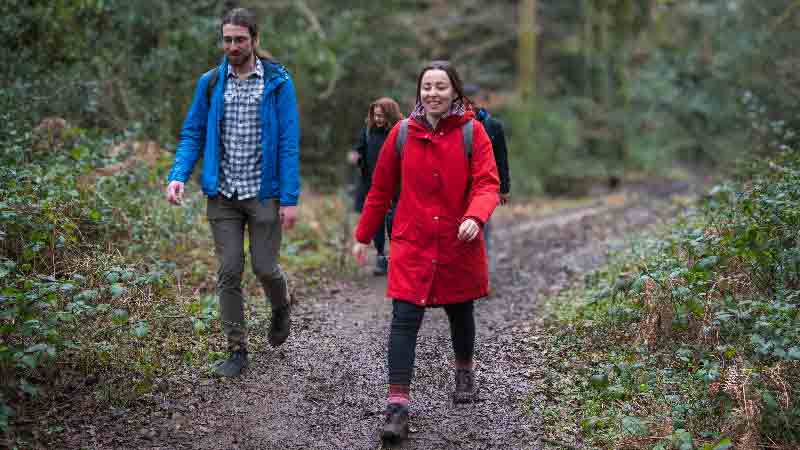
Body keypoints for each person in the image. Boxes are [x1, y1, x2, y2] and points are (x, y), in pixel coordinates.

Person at [352, 61, 500, 443]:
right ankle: (397, 406)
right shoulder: (401, 134)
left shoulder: (473, 132)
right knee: (403, 318)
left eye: (441, 87)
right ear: (418, 92)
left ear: (455, 92)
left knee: (460, 309)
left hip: (457, 240)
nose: (433, 93)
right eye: (427, 87)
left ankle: (464, 367)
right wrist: (363, 236)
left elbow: (488, 183)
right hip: (412, 241)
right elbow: (380, 189)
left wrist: (476, 216)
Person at [165, 7, 300, 378]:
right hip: (222, 194)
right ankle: (237, 349)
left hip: (264, 194)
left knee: (265, 267)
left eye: (240, 39)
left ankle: (281, 305)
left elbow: (289, 143)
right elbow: (193, 133)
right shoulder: (210, 83)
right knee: (228, 270)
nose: (233, 46)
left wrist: (289, 199)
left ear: (254, 40)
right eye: (227, 39)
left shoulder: (278, 82)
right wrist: (178, 175)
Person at [349, 97, 404, 275]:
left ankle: (397, 258)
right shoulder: (367, 131)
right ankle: (381, 257)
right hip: (372, 184)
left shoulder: (400, 131)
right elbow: (360, 149)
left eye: (382, 116)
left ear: (390, 115)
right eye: (375, 115)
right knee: (377, 223)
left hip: (397, 187)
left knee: (394, 222)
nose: (378, 119)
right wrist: (356, 156)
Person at [463, 83, 510, 274]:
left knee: (482, 228)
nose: (470, 107)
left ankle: (482, 273)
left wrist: (504, 188)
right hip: (458, 184)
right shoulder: (453, 124)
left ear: (482, 101)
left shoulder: (493, 126)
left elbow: (501, 158)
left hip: (484, 186)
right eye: (466, 102)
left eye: (474, 102)